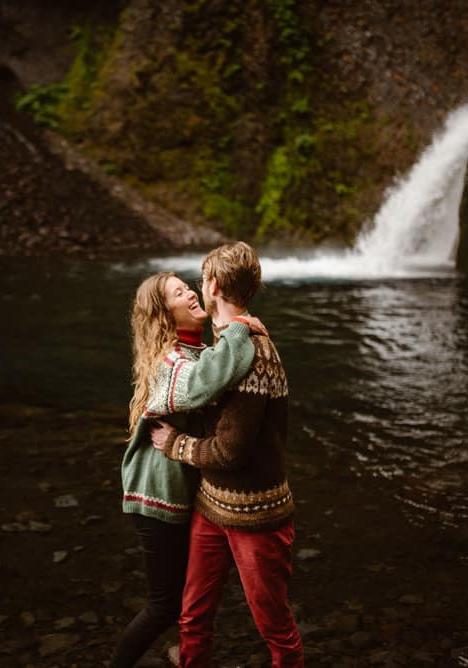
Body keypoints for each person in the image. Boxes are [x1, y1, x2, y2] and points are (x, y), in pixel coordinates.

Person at [151, 242, 304, 667]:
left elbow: (230, 451)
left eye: (201, 281)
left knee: (273, 624)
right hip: (212, 505)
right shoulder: (226, 348)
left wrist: (174, 445)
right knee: (193, 613)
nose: (199, 288)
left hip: (257, 515)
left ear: (213, 285)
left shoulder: (252, 354)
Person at [112, 271, 267, 668]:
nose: (190, 294)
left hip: (180, 494)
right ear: (165, 316)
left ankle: (187, 653)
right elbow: (203, 383)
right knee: (163, 605)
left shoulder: (194, 351)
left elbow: (217, 372)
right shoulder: (172, 362)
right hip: (156, 498)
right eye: (178, 293)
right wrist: (239, 326)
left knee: (196, 592)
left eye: (187, 286)